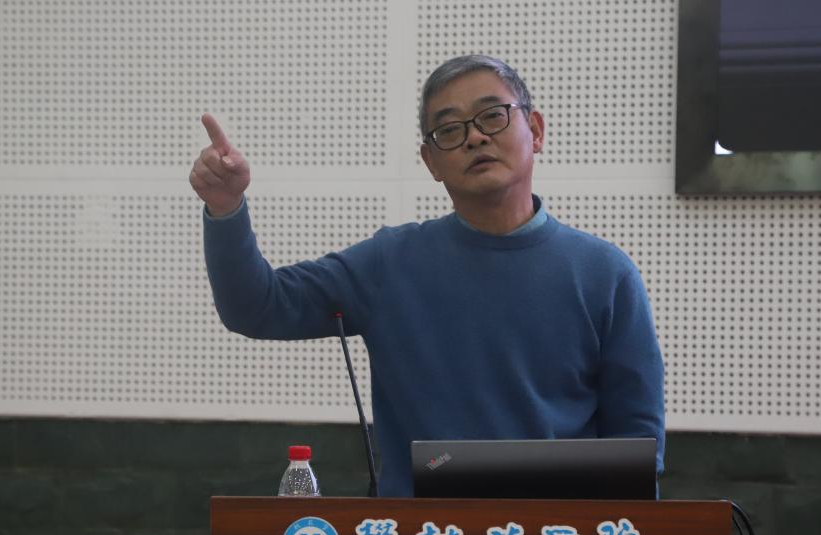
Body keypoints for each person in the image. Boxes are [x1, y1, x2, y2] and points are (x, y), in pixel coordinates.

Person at [190, 54, 665, 497]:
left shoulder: (604, 273)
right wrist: (226, 207)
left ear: (535, 130)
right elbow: (257, 306)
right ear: (431, 161)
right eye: (449, 129)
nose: (475, 137)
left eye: (492, 116)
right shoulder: (389, 265)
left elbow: (637, 447)